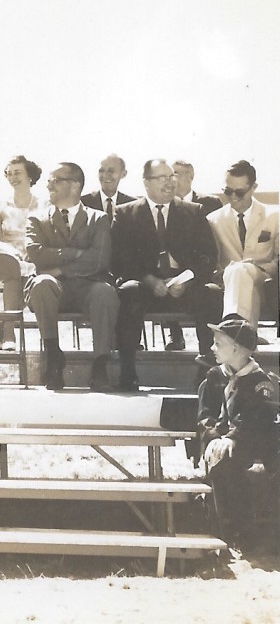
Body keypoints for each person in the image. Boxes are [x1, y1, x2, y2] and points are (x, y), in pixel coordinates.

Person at [112, 159, 223, 390]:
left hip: (184, 287)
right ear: (146, 182)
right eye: (161, 178)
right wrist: (149, 280)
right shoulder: (126, 213)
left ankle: (207, 371)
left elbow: (208, 256)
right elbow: (120, 259)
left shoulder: (193, 211)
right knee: (128, 291)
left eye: (172, 176)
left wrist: (186, 278)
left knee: (212, 293)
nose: (169, 182)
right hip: (145, 286)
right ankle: (128, 372)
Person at [25, 162, 119, 391]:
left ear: (75, 185)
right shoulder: (37, 219)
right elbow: (35, 254)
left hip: (88, 288)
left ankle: (100, 364)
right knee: (42, 283)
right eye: (49, 181)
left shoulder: (98, 219)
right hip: (54, 290)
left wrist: (60, 268)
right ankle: (53, 356)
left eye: (56, 180)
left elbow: (99, 259)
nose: (49, 185)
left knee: (105, 292)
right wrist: (74, 254)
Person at [195, 318, 278, 550]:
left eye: (218, 344)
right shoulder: (213, 377)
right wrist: (212, 438)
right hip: (221, 444)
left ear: (235, 348)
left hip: (251, 441)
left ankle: (260, 530)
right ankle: (233, 529)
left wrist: (233, 437)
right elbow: (205, 414)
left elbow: (257, 418)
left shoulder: (260, 381)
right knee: (223, 462)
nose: (212, 349)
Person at [207, 160, 279, 331]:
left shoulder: (274, 216)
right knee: (237, 271)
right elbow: (214, 264)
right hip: (228, 284)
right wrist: (230, 272)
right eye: (227, 191)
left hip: (264, 283)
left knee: (240, 270)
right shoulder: (213, 220)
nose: (233, 197)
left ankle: (234, 328)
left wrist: (250, 268)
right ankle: (242, 335)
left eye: (239, 192)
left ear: (254, 187)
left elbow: (278, 260)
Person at [160, 160, 224, 350]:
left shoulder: (210, 202)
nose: (174, 178)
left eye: (178, 173)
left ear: (192, 175)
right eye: (172, 174)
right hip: (171, 267)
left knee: (207, 290)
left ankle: (206, 348)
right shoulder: (163, 205)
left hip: (200, 265)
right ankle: (175, 334)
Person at [0, 155, 44, 351]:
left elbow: (46, 235)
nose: (12, 178)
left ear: (30, 176)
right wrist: (14, 254)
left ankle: (3, 331)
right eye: (9, 174)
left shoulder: (44, 204)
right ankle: (9, 334)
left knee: (21, 273)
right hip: (7, 256)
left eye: (17, 173)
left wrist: (31, 253)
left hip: (35, 256)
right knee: (14, 270)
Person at [80, 154, 136, 219]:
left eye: (111, 171)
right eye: (101, 171)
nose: (105, 175)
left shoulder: (132, 205)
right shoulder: (83, 203)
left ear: (123, 174)